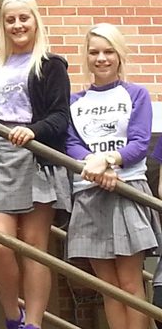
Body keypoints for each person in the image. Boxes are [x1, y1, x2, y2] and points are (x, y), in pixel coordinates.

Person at [0, 0, 71, 329]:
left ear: (35, 21)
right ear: (3, 26)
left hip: (36, 159)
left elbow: (61, 117)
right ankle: (12, 317)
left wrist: (33, 131)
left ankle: (33, 323)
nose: (17, 25)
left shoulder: (51, 64)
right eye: (10, 20)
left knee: (34, 247)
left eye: (23, 18)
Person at [65, 23, 160, 329]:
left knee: (131, 284)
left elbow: (139, 142)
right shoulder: (74, 101)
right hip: (89, 193)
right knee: (108, 288)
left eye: (108, 52)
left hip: (127, 189)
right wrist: (94, 168)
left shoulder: (136, 94)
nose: (101, 58)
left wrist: (108, 160)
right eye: (94, 52)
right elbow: (70, 143)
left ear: (119, 56)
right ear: (86, 57)